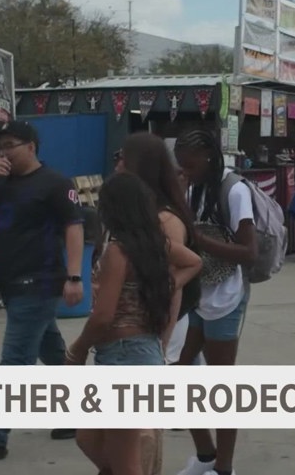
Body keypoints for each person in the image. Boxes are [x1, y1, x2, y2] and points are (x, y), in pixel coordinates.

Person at [0, 120, 85, 461]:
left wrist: (73, 276)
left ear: (31, 146)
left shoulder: (54, 183)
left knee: (15, 360)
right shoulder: (0, 183)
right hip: (10, 280)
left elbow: (73, 227)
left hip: (40, 281)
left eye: (11, 144)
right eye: (0, 146)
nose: (4, 151)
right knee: (52, 351)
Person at [69, 172, 202, 475]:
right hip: (134, 354)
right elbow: (194, 262)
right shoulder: (151, 245)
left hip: (125, 357)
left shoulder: (119, 251)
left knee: (124, 460)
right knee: (90, 438)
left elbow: (103, 316)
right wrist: (170, 283)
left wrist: (76, 350)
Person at [173, 129, 258, 475]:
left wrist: (199, 241)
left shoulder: (234, 190)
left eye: (190, 165)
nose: (185, 171)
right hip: (197, 293)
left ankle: (224, 468)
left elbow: (248, 253)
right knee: (181, 373)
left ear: (209, 157)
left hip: (226, 297)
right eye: (181, 166)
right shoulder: (193, 187)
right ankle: (205, 455)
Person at [113, 132, 204, 364]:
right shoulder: (141, 210)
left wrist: (163, 343)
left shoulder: (164, 218)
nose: (117, 165)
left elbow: (173, 285)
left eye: (123, 158)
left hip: (162, 328)